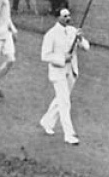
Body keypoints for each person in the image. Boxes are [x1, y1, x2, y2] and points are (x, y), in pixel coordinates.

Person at [39, 8, 90, 145]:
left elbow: (86, 47)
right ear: (58, 17)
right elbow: (45, 56)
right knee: (65, 102)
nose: (68, 18)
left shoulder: (73, 31)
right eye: (64, 16)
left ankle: (47, 121)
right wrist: (62, 58)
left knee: (61, 99)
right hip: (58, 72)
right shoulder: (51, 34)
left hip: (71, 71)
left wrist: (81, 38)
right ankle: (69, 134)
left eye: (69, 16)